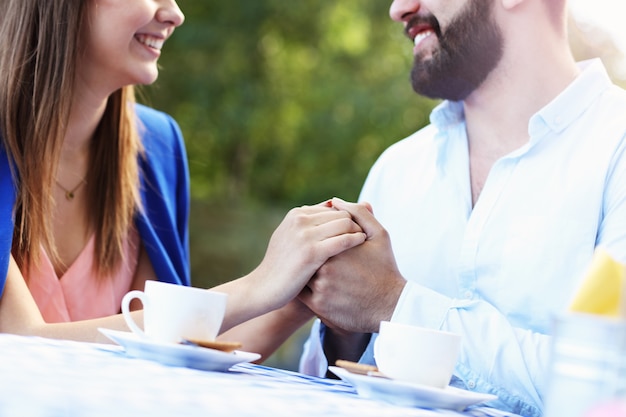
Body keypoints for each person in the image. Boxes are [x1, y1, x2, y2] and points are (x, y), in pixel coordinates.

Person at [297, 0, 626, 416]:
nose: (399, 9)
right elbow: (316, 382)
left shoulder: (618, 153)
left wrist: (395, 305)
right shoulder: (396, 168)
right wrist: (344, 327)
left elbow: (610, 390)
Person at [0, 0, 367, 361]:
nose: (175, 14)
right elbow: (19, 343)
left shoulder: (157, 146)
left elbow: (171, 343)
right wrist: (259, 285)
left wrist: (300, 285)